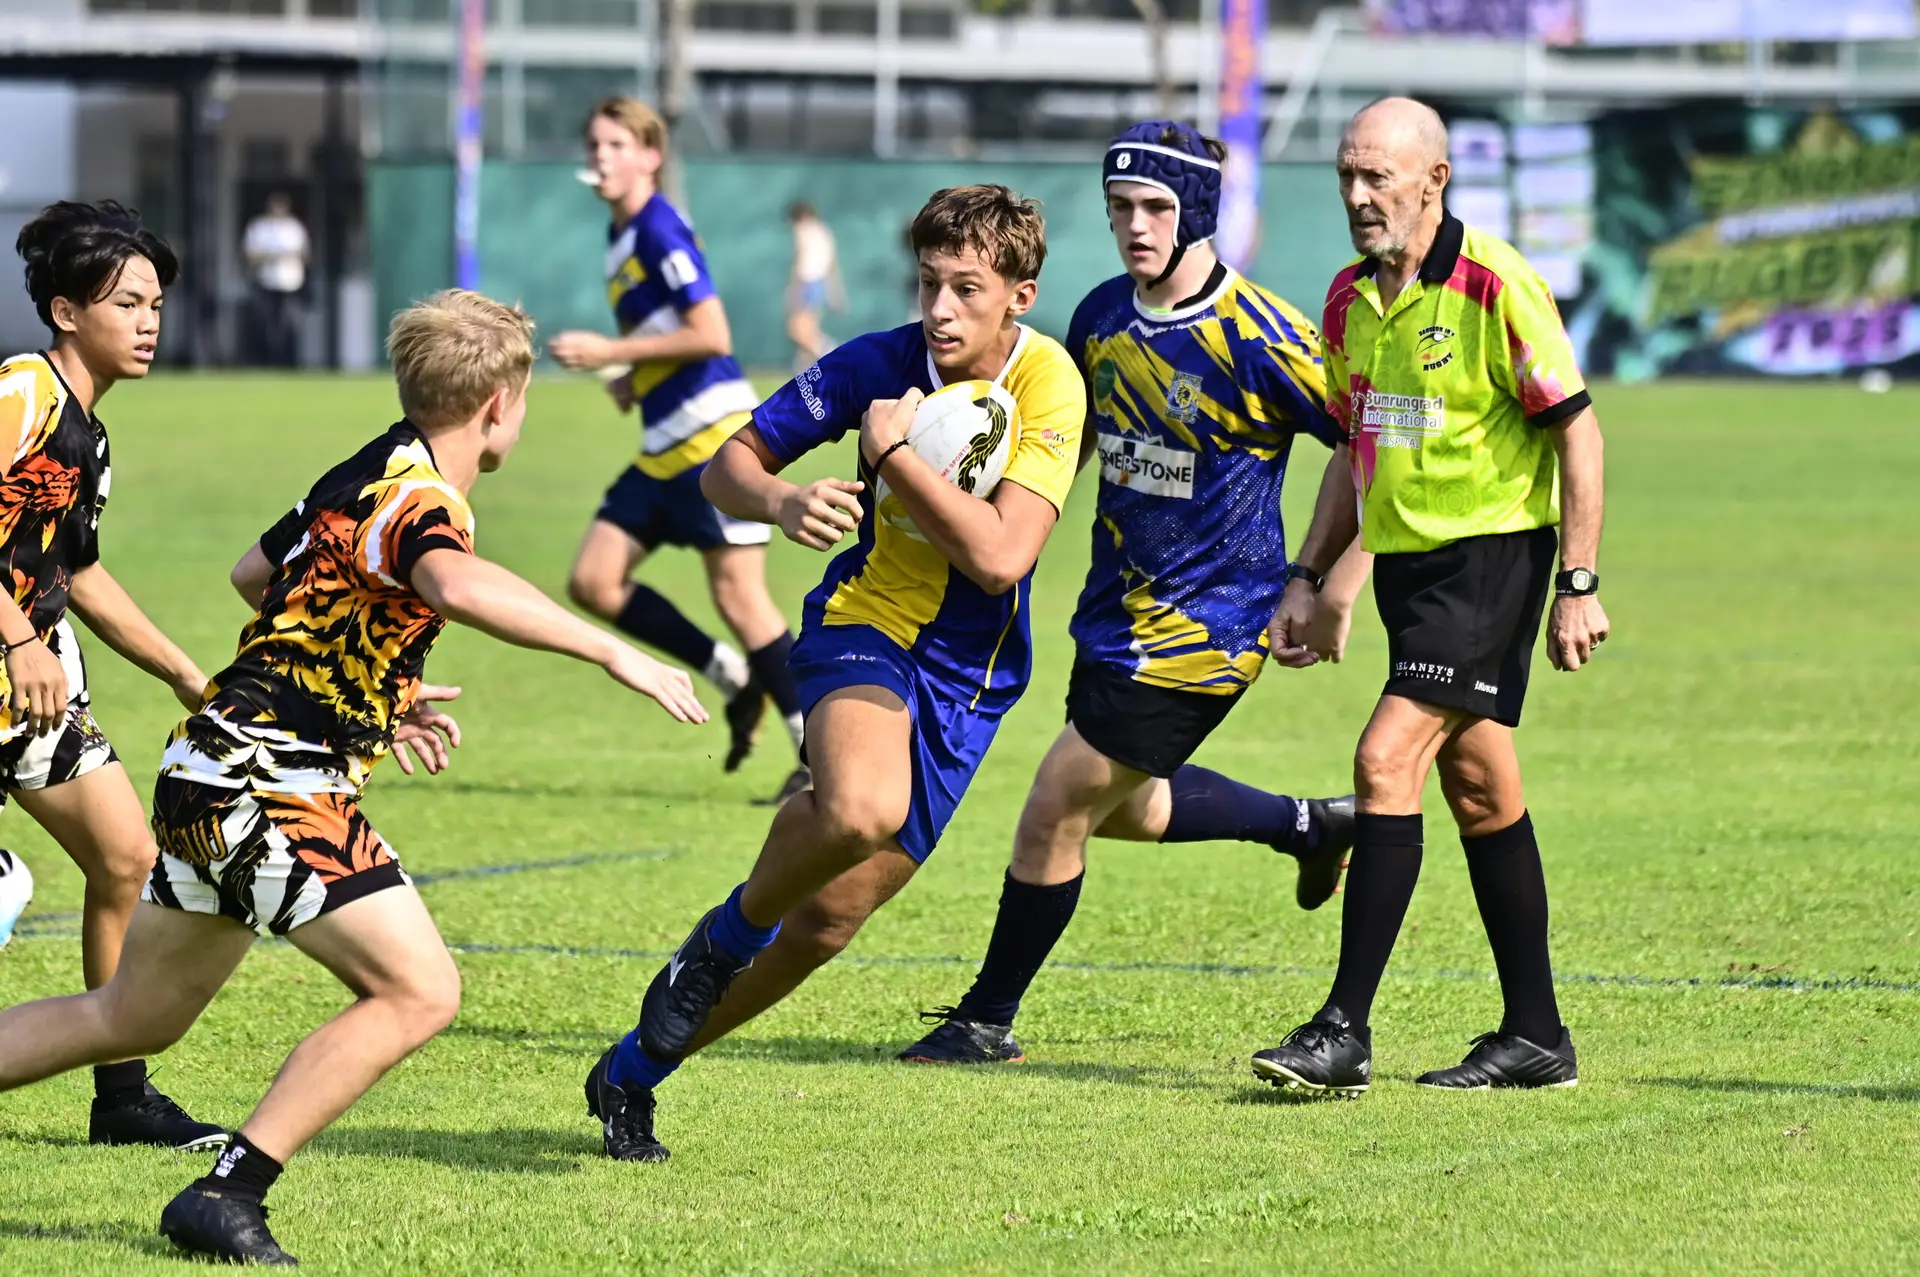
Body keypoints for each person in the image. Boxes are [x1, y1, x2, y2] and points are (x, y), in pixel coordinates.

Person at [0, 290, 708, 1265]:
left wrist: (369, 690)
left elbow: (260, 574)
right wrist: (611, 651)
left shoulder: (366, 467)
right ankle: (227, 1193)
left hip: (206, 764)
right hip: (269, 779)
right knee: (420, 989)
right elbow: (454, 582)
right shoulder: (423, 501)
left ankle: (220, 1187)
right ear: (501, 404)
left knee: (131, 1014)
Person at [582, 184, 1085, 1162]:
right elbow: (729, 462)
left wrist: (893, 452)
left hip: (972, 679)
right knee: (858, 808)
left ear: (1019, 294)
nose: (940, 308)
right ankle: (722, 937)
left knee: (826, 921)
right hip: (865, 624)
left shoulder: (1048, 384)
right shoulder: (876, 365)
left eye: (966, 288)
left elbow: (1000, 558)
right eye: (930, 283)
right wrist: (779, 499)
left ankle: (632, 1070)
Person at [899, 121, 1367, 1066]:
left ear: (1198, 210)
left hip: (1209, 625)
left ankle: (986, 1019)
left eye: (1157, 207)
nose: (1136, 227)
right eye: (1120, 209)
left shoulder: (1264, 336)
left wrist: (1325, 580)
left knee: (1055, 804)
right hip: (1112, 612)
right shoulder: (1104, 317)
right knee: (1128, 804)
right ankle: (1311, 825)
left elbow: (1370, 452)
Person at [1249, 98, 1609, 1097]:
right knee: (1480, 785)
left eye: (1379, 178)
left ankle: (1342, 1029)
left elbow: (1578, 431)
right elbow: (1350, 451)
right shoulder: (1345, 301)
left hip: (1491, 561)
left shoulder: (1496, 285)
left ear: (1434, 182)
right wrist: (1311, 575)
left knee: (1384, 754)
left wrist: (1577, 583)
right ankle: (1536, 1034)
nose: (1360, 197)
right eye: (1348, 179)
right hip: (1411, 569)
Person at [0, 201, 226, 1150]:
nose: (148, 320)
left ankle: (121, 1096)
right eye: (127, 301)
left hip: (32, 686)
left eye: (156, 302)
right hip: (19, 664)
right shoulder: (23, 390)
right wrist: (17, 638)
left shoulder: (87, 431)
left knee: (128, 859)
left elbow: (77, 568)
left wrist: (185, 671)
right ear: (64, 310)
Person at [549, 98, 807, 802]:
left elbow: (713, 332)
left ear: (649, 156)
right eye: (594, 143)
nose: (600, 155)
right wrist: (638, 375)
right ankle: (733, 674)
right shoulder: (621, 232)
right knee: (594, 579)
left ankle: (816, 754)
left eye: (615, 143)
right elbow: (672, 332)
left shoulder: (659, 229)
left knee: (740, 594)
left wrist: (612, 350)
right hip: (664, 445)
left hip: (713, 440)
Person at [242, 192, 309, 367]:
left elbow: (305, 255)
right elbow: (250, 257)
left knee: (290, 327)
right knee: (264, 326)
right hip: (266, 284)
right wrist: (271, 256)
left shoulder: (294, 228)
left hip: (290, 285)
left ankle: (289, 364)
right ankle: (265, 363)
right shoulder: (259, 228)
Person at [785, 200, 841, 369]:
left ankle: (833, 352)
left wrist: (793, 290)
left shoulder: (802, 230)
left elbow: (800, 262)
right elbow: (832, 265)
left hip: (806, 282)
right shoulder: (824, 231)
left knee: (797, 330)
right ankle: (803, 371)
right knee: (808, 331)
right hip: (818, 284)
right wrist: (834, 291)